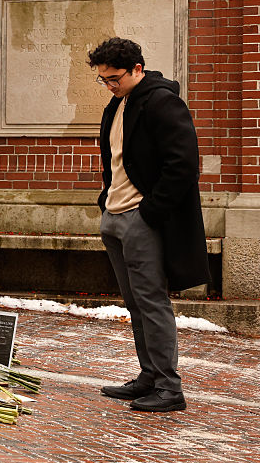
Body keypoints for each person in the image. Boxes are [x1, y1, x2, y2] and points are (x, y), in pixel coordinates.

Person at [87, 37, 210, 412]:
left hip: (141, 220)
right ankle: (149, 377)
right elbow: (117, 161)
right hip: (115, 217)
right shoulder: (117, 104)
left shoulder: (162, 102)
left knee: (152, 302)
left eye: (115, 78)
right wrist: (106, 202)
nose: (109, 85)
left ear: (137, 69)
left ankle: (170, 389)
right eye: (103, 79)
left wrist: (148, 213)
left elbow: (183, 165)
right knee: (135, 304)